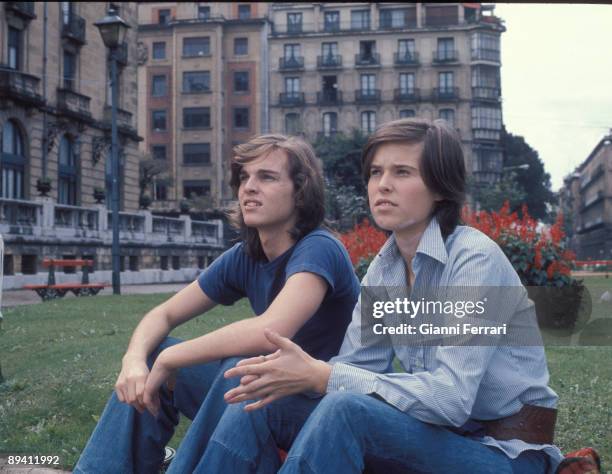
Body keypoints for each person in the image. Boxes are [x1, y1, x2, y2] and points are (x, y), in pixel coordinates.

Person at [197, 119, 565, 474]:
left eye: (402, 172)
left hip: (505, 455)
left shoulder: (473, 259)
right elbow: (359, 366)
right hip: (440, 437)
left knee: (345, 409)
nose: (382, 185)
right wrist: (297, 374)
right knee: (258, 396)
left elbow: (451, 399)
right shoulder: (385, 268)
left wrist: (323, 375)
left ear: (440, 187)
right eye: (376, 172)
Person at [73, 134, 360, 474]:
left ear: (300, 191)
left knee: (238, 368)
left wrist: (172, 357)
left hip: (319, 407)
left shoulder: (320, 247)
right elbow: (163, 313)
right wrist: (134, 359)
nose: (248, 188)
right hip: (260, 395)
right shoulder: (245, 256)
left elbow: (269, 329)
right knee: (153, 355)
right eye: (244, 177)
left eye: (266, 177)